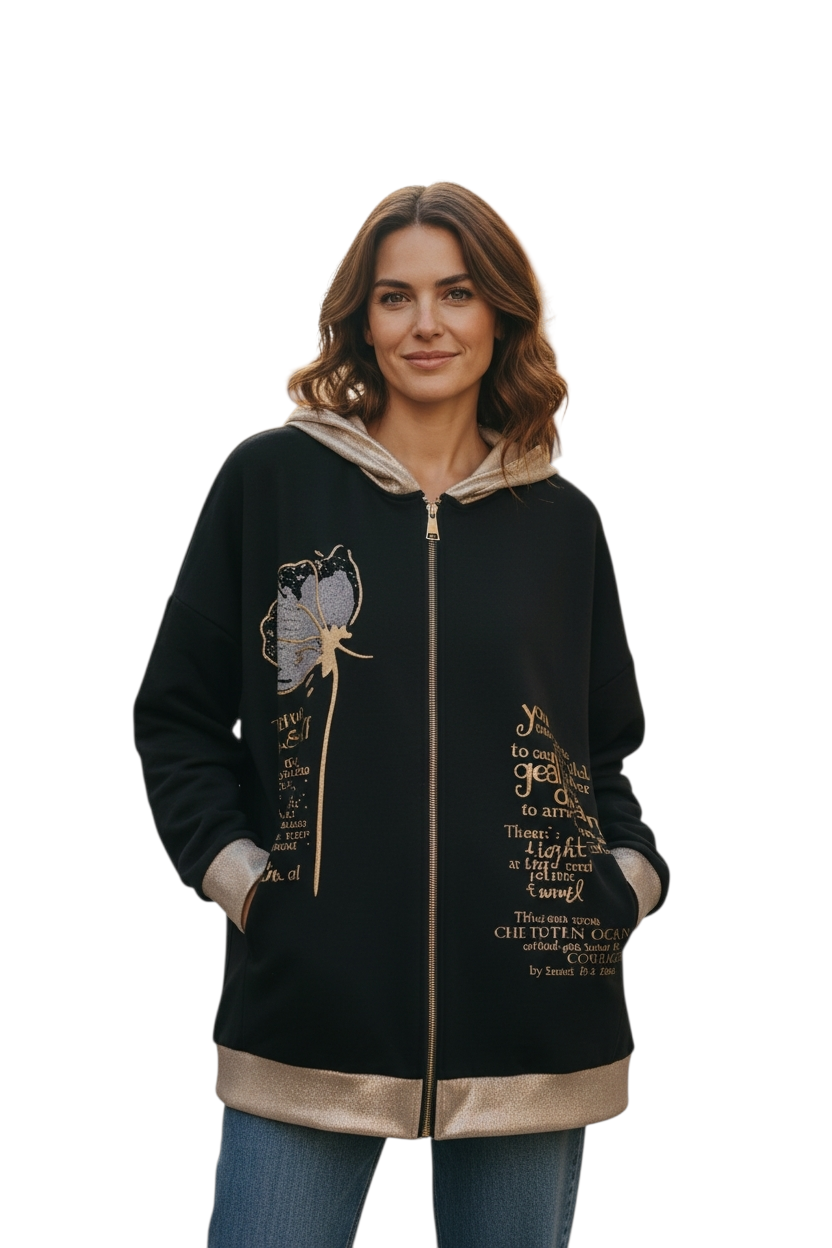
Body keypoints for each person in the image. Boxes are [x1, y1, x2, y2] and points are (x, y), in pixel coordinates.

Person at [134, 182, 669, 1248]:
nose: (427, 323)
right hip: (310, 1005)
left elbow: (597, 747)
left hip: (534, 1006)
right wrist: (245, 883)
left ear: (501, 315)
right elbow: (179, 714)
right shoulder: (272, 482)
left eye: (456, 293)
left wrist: (626, 880)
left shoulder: (561, 524)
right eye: (396, 297)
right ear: (362, 320)